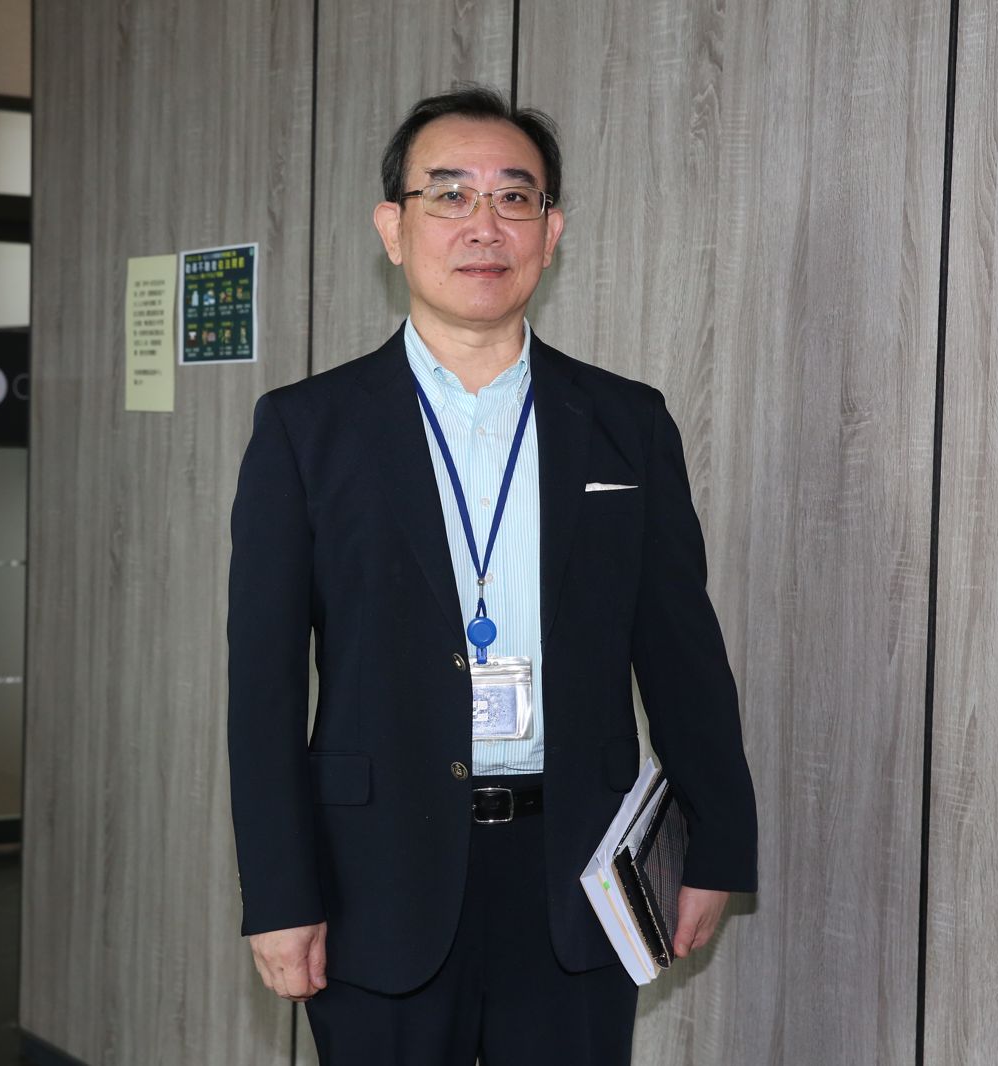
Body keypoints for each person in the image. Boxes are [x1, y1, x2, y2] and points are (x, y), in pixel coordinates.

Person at [228, 84, 758, 1066]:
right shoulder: (308, 430)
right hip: (375, 876)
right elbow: (261, 688)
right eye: (449, 195)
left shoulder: (625, 423)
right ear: (393, 229)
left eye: (515, 198)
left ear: (550, 234)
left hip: (577, 875)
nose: (485, 225)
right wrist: (279, 893)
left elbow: (683, 652)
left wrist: (716, 844)